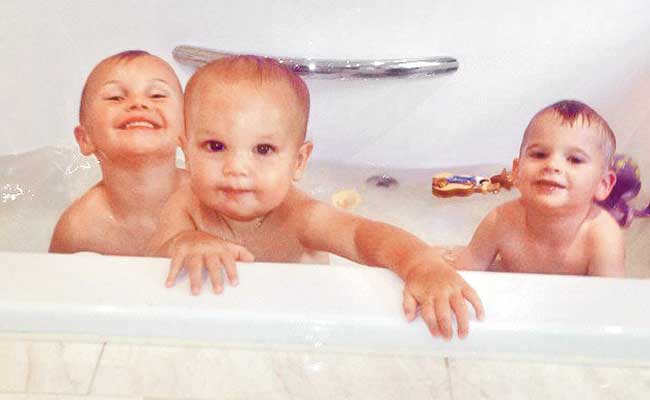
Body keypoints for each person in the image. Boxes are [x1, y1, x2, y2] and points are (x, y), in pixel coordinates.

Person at [149, 55, 484, 339]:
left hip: (300, 326)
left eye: (263, 149)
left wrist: (420, 264)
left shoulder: (299, 216)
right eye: (215, 146)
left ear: (298, 162)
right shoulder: (184, 204)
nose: (236, 168)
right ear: (186, 150)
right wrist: (187, 241)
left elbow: (361, 236)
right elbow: (150, 262)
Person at [453, 100, 625, 276]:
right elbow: (463, 277)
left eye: (575, 159)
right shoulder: (500, 220)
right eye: (539, 154)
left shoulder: (602, 236)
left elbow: (609, 299)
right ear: (517, 171)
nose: (552, 165)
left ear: (602, 184)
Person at [49, 50, 187, 256]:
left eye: (157, 95)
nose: (138, 103)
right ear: (85, 139)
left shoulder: (208, 202)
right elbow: (49, 282)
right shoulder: (79, 228)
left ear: (185, 131)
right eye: (115, 97)